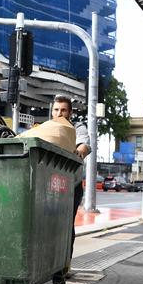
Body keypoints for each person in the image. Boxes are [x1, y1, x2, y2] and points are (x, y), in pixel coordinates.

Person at [50, 95, 91, 258]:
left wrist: (80, 151)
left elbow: (84, 144)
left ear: (70, 112)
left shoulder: (77, 127)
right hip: (49, 184)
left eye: (63, 110)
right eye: (56, 110)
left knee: (66, 225)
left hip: (71, 187)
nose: (59, 113)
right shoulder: (47, 127)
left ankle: (64, 263)